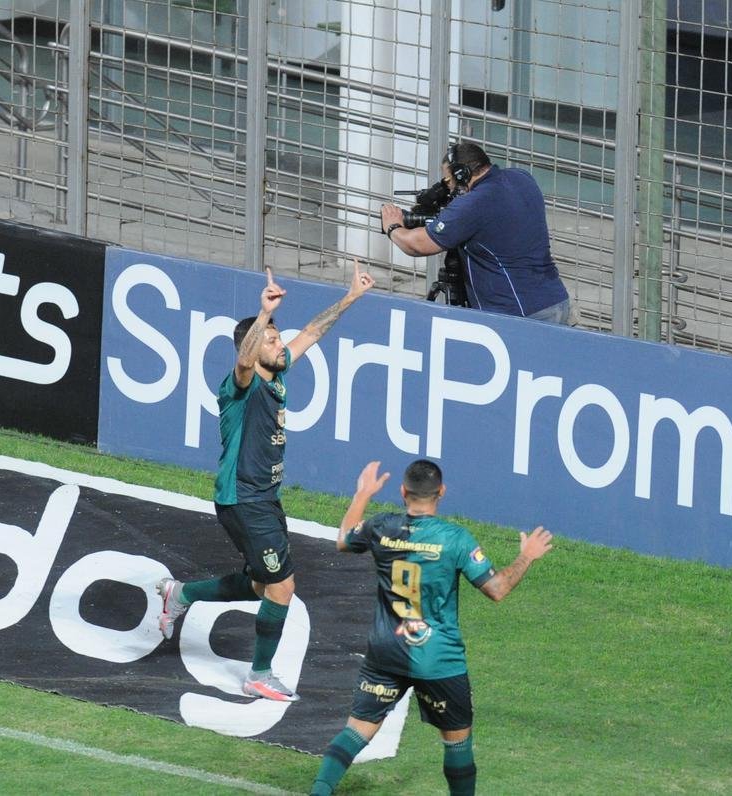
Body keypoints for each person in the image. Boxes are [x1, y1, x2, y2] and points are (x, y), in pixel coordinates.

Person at [156, 259, 377, 703]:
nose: (281, 346)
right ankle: (258, 674)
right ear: (254, 349)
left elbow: (312, 332)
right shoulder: (239, 386)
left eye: (278, 339)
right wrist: (261, 314)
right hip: (242, 499)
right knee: (282, 587)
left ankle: (180, 594)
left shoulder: (276, 372)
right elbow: (242, 360)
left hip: (264, 497)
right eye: (273, 341)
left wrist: (351, 296)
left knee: (260, 583)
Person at [310, 459, 554, 795]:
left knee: (356, 731)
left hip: (385, 652)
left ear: (402, 492)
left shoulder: (381, 527)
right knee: (457, 743)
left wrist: (363, 493)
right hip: (437, 658)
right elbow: (497, 589)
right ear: (441, 492)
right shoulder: (455, 539)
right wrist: (527, 555)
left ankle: (319, 791)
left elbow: (342, 540)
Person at [380, 141, 571, 324]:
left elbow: (418, 245)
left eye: (448, 180)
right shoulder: (522, 177)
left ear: (461, 174)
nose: (448, 186)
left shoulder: (473, 204)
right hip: (556, 302)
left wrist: (393, 227)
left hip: (518, 316)